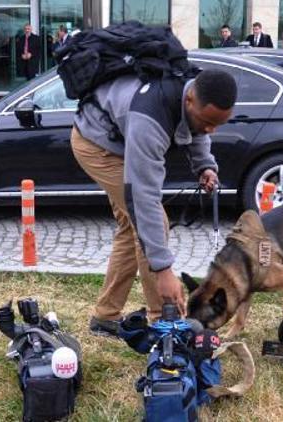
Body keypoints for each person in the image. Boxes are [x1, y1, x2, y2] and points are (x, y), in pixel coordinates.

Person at [70, 69, 237, 336]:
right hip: (96, 145)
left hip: (124, 138)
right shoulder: (150, 119)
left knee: (131, 229)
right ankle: (164, 319)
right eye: (208, 121)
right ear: (190, 100)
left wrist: (204, 165)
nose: (211, 129)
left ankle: (105, 317)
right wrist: (163, 271)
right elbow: (143, 196)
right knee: (154, 222)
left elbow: (197, 129)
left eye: (218, 124)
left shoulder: (193, 90)